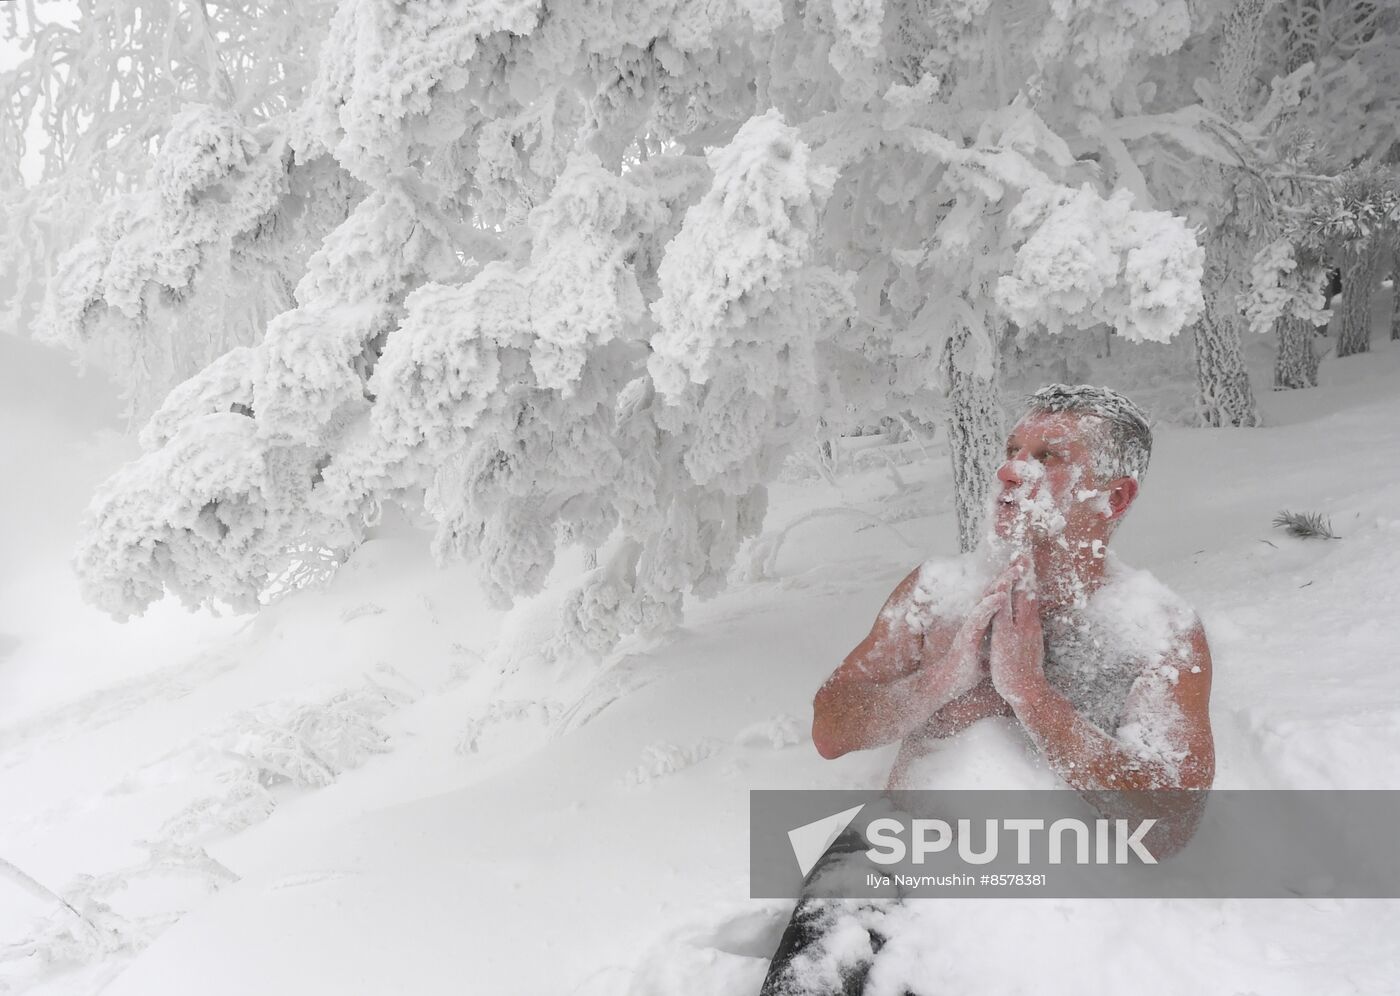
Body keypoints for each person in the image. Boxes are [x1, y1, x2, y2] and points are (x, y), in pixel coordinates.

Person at [760, 384, 1215, 996]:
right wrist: (935, 684)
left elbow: (1171, 821)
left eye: (1048, 456)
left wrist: (1031, 695)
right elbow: (830, 729)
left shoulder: (1157, 631)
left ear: (1114, 496)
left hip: (1042, 887)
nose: (1008, 469)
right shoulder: (937, 591)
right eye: (1011, 448)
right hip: (891, 859)